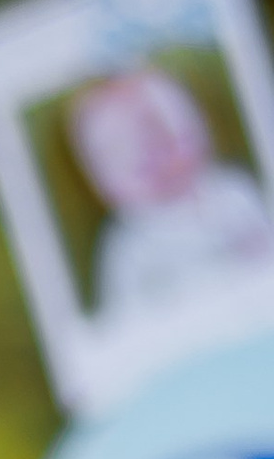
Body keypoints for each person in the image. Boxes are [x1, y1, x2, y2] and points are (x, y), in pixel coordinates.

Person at [65, 64, 274, 318]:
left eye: (171, 138)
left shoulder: (233, 191)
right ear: (103, 181)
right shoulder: (129, 248)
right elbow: (125, 324)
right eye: (135, 159)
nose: (162, 162)